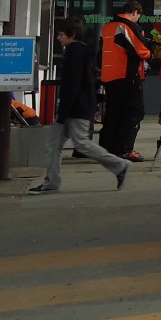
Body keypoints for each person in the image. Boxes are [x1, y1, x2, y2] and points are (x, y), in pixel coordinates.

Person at [29, 16, 130, 193]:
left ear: (72, 34)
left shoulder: (74, 52)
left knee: (80, 144)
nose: (59, 38)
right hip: (79, 107)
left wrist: (62, 111)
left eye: (61, 34)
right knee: (56, 145)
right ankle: (51, 182)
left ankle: (120, 165)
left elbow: (71, 84)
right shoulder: (81, 51)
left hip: (76, 109)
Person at [99, 0, 152, 161]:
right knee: (134, 112)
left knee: (114, 112)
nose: (138, 20)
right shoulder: (127, 26)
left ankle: (106, 148)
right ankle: (125, 149)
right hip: (127, 75)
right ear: (135, 12)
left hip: (109, 75)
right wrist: (150, 53)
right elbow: (141, 51)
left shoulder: (107, 27)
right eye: (138, 16)